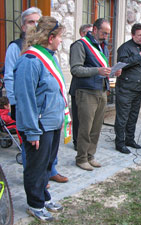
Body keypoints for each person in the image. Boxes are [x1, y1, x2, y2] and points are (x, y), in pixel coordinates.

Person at [4, 7, 68, 184]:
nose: (34, 25)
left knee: (47, 151)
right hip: (27, 106)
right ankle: (36, 180)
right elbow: (12, 79)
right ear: (23, 26)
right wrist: (14, 103)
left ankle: (48, 172)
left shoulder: (49, 54)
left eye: (37, 22)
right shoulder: (18, 49)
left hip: (47, 112)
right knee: (34, 150)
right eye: (30, 22)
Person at [14, 16, 67, 222]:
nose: (61, 41)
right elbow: (25, 100)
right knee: (36, 167)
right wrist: (32, 130)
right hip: (39, 125)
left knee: (46, 165)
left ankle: (43, 198)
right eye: (60, 37)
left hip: (52, 123)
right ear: (50, 37)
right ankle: (34, 205)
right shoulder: (30, 60)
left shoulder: (50, 56)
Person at [70, 18, 121, 170]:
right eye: (104, 33)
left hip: (101, 90)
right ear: (95, 29)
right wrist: (97, 71)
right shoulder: (80, 45)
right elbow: (76, 69)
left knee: (96, 127)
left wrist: (113, 71)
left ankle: (90, 156)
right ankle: (81, 158)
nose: (106, 36)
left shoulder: (102, 47)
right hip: (86, 91)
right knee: (85, 127)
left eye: (108, 34)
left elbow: (102, 68)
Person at [114, 23, 141, 153]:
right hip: (125, 88)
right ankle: (119, 143)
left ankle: (129, 139)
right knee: (122, 117)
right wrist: (139, 56)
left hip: (139, 88)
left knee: (133, 116)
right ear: (132, 35)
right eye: (139, 35)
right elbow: (122, 65)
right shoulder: (125, 48)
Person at [69, 23, 93, 151]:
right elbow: (76, 69)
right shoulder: (78, 46)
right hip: (78, 87)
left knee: (87, 119)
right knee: (78, 118)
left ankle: (85, 141)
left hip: (90, 88)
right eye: (89, 32)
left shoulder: (94, 47)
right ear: (83, 33)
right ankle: (77, 142)